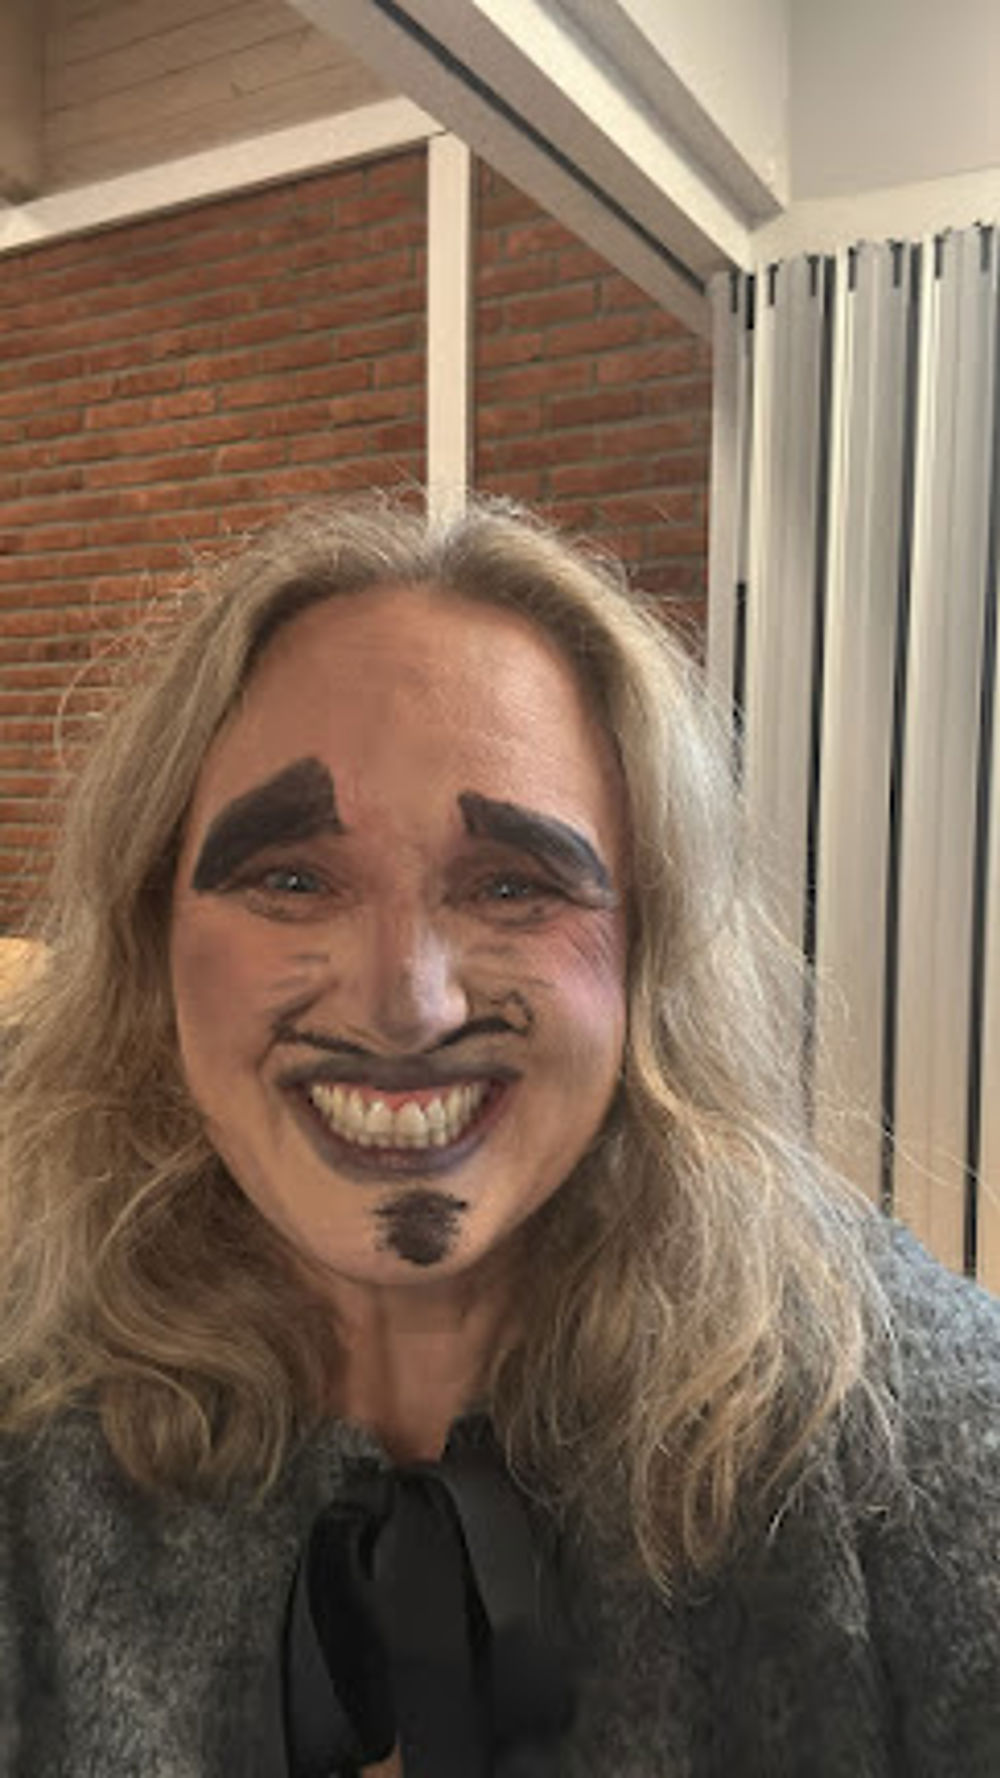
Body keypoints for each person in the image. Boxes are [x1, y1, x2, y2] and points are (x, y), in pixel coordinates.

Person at [0, 494, 997, 1778]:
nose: (404, 1003)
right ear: (152, 933)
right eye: (294, 878)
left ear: (646, 957)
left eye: (512, 884)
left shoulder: (892, 1436)